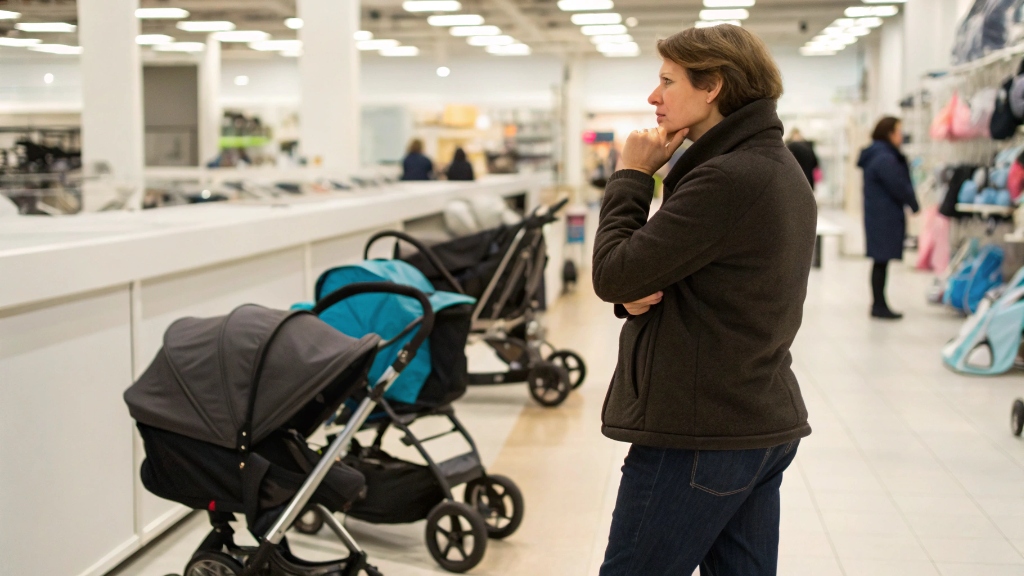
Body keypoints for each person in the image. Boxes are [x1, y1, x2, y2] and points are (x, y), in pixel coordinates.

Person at [591, 24, 816, 576]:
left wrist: (630, 176)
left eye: (667, 80)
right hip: (749, 418)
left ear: (712, 84)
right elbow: (694, 278)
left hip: (700, 433)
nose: (653, 96)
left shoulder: (730, 177)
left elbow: (612, 272)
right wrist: (633, 294)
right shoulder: (768, 165)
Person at [857, 117, 919, 320]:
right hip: (884, 216)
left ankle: (879, 303)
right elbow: (898, 184)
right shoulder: (885, 157)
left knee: (880, 261)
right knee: (881, 261)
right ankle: (879, 305)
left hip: (879, 214)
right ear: (889, 133)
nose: (902, 136)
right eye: (899, 131)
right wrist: (913, 203)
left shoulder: (878, 154)